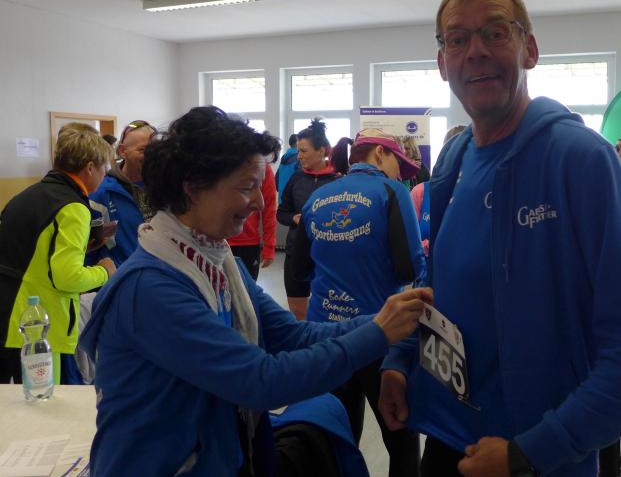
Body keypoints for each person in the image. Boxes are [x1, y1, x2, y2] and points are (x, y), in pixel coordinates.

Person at [378, 0, 621, 477]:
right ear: (442, 63)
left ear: (530, 49)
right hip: (449, 438)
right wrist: (401, 359)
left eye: (495, 32)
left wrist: (530, 453)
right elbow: (441, 286)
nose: (475, 51)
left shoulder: (581, 160)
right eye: (457, 39)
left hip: (540, 456)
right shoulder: (453, 162)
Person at [78, 106, 433, 477]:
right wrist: (378, 333)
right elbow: (261, 381)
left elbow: (293, 335)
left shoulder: (216, 261)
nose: (261, 202)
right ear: (192, 187)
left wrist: (382, 321)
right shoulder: (150, 289)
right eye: (247, 187)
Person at [293, 129, 426, 477]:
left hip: (326, 334)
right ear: (380, 153)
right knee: (400, 434)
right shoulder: (391, 191)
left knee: (337, 433)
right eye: (399, 165)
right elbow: (409, 267)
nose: (400, 175)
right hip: (380, 332)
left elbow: (297, 269)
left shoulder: (318, 197)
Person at [0, 124, 116, 383]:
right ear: (90, 168)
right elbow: (68, 278)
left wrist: (83, 248)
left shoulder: (25, 196)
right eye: (104, 169)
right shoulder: (74, 208)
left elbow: (24, 251)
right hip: (35, 325)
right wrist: (104, 272)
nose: (105, 175)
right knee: (40, 401)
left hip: (8, 316)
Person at [277, 119, 339, 319]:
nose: (299, 156)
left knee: (329, 308)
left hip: (328, 254)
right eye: (298, 151)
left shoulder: (338, 181)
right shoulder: (296, 179)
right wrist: (293, 218)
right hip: (296, 252)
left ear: (321, 151)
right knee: (298, 310)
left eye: (303, 151)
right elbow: (281, 213)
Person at [87, 120, 156, 267]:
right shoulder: (101, 193)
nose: (151, 156)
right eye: (142, 150)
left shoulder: (166, 187)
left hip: (160, 273)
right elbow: (88, 247)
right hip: (123, 275)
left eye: (154, 149)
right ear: (122, 151)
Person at [228, 130, 280, 280]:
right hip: (219, 241)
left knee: (248, 290)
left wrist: (269, 246)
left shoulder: (263, 169)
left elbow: (269, 209)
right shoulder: (225, 168)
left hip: (247, 243)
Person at [411, 125, 467, 256]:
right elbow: (409, 241)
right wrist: (429, 246)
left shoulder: (480, 194)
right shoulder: (420, 192)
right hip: (427, 267)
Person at [276, 133, 299, 204]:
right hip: (293, 199)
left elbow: (276, 179)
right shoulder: (299, 158)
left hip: (281, 198)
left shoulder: (284, 157)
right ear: (297, 143)